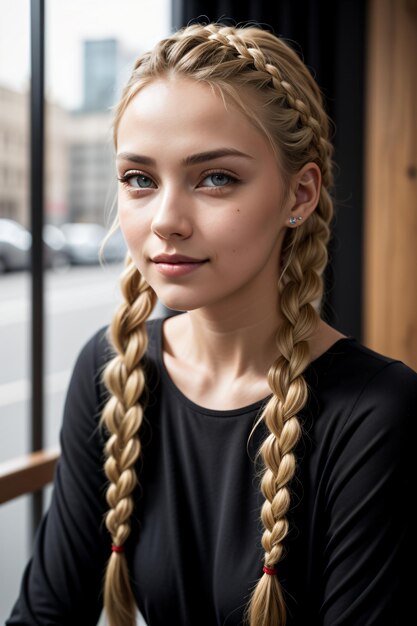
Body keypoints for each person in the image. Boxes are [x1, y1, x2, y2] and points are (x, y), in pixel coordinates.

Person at [6, 21, 417, 626]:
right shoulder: (111, 369)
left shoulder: (376, 410)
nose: (166, 220)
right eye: (139, 179)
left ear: (299, 196)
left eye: (215, 178)